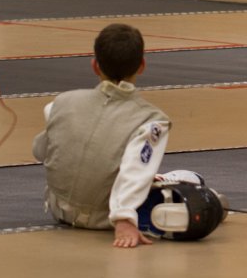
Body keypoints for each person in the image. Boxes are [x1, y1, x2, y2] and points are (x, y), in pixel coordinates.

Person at [32, 23, 171, 248]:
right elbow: (136, 168)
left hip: (58, 209)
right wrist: (124, 219)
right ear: (142, 66)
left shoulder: (60, 103)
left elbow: (40, 151)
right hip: (103, 219)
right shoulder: (152, 120)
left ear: (95, 65)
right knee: (190, 181)